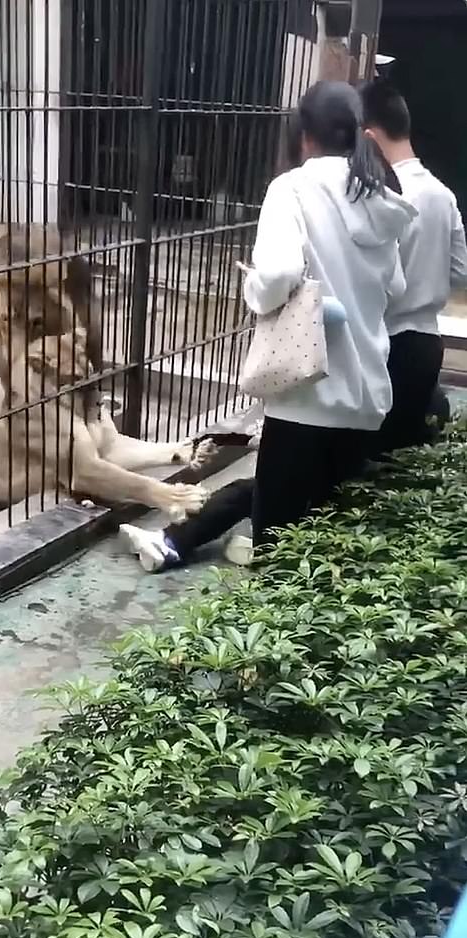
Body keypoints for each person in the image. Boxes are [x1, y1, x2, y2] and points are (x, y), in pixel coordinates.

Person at [120, 79, 415, 573]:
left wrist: (256, 290)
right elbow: (398, 289)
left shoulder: (293, 188)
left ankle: (179, 549)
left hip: (305, 400)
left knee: (280, 559)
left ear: (305, 136)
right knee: (325, 554)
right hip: (364, 401)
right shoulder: (379, 194)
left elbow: (277, 274)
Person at [360, 78, 467, 453]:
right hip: (428, 344)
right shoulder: (443, 194)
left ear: (369, 136)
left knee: (367, 464)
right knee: (402, 462)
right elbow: (461, 271)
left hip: (387, 345)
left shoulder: (380, 194)